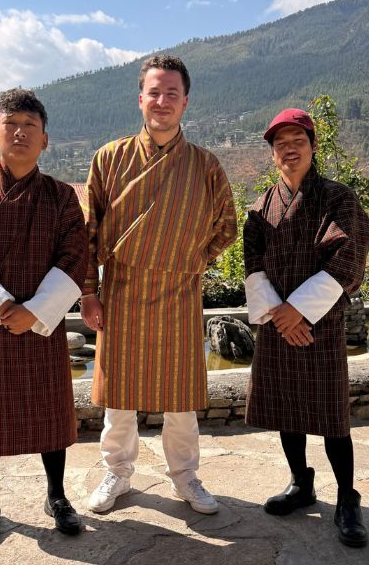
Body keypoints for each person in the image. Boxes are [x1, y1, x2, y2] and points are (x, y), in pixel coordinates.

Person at [80, 55, 237, 515]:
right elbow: (88, 233)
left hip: (181, 292)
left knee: (181, 400)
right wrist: (90, 292)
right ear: (141, 98)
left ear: (185, 101)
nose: (162, 101)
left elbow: (226, 226)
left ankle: (185, 477)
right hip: (123, 291)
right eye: (155, 92)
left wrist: (190, 260)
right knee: (119, 398)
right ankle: (118, 474)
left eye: (172, 93)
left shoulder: (205, 165)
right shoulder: (109, 158)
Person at [0, 88, 88, 543]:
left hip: (43, 326)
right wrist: (5, 308)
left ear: (45, 139)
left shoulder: (62, 198)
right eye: (12, 124)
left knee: (52, 415)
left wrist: (35, 311)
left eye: (30, 125)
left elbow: (75, 258)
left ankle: (58, 496)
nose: (20, 132)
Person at [243, 108, 369, 548]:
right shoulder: (261, 208)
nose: (289, 149)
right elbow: (253, 267)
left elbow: (348, 258)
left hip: (321, 324)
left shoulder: (338, 198)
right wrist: (280, 315)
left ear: (313, 146)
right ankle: (301, 483)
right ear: (273, 154)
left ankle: (348, 499)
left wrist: (298, 311)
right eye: (280, 144)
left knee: (332, 417)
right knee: (287, 409)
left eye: (297, 139)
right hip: (280, 326)